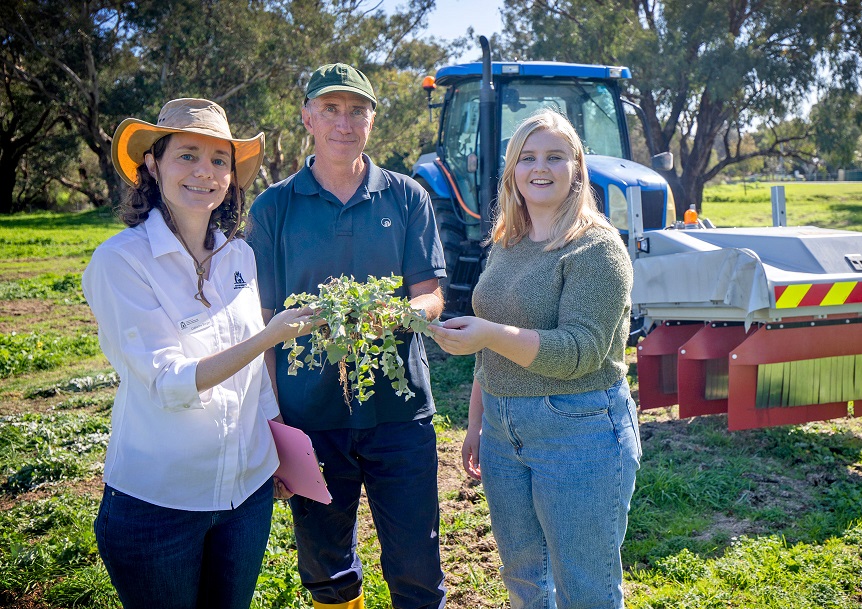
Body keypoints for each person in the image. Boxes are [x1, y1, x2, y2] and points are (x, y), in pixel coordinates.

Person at [82, 98, 318, 609]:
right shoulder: (121, 262)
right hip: (159, 505)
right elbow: (168, 382)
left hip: (247, 498)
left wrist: (278, 450)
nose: (204, 173)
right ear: (152, 164)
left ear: (231, 176)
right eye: (186, 155)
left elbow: (255, 377)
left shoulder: (240, 255)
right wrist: (268, 337)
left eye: (218, 161)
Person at [247, 63, 447, 609]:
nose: (344, 122)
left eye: (356, 110)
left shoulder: (407, 198)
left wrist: (399, 315)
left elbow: (430, 294)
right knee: (324, 564)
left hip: (399, 414)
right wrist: (274, 419)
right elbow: (262, 324)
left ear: (372, 121)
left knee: (416, 565)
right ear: (308, 117)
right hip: (309, 417)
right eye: (331, 110)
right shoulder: (273, 208)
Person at [428, 110, 642, 609]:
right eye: (527, 157)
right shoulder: (507, 242)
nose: (538, 167)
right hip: (504, 432)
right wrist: (477, 422)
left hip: (579, 429)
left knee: (585, 589)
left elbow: (579, 352)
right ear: (512, 172)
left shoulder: (597, 249)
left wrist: (488, 333)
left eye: (553, 156)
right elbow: (491, 345)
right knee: (524, 579)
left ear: (577, 169)